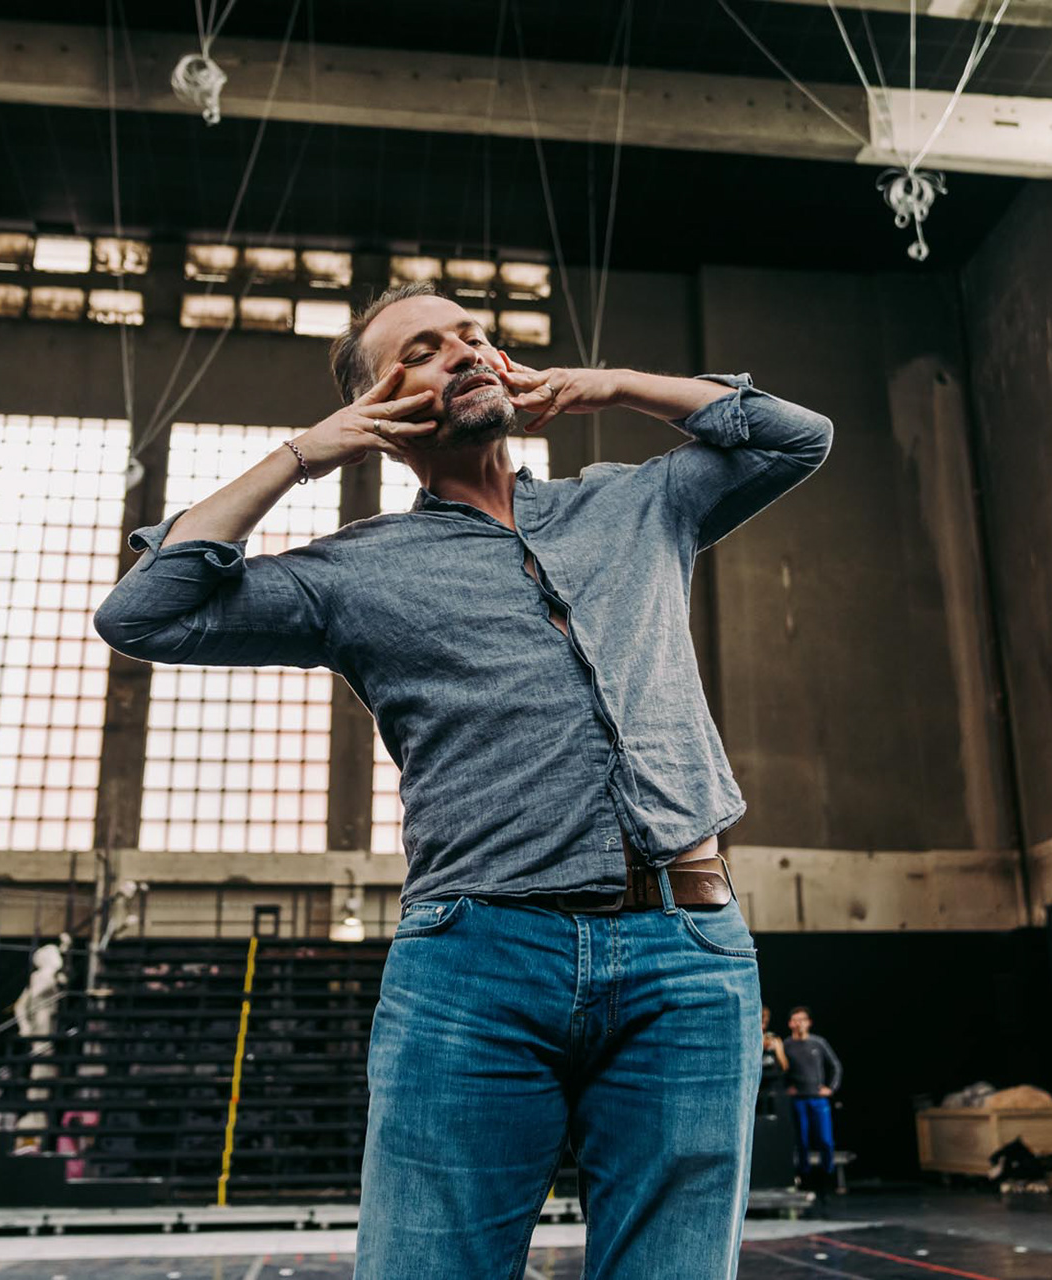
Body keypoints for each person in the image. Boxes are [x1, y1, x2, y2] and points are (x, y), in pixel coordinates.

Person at [94, 280, 833, 1277]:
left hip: (689, 954)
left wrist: (610, 383)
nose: (465, 351)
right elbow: (145, 611)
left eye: (473, 334)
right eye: (422, 351)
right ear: (380, 410)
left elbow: (795, 436)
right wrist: (310, 451)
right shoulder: (354, 572)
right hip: (478, 965)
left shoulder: (633, 503)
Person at [782, 1007, 843, 1191]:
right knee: (802, 1141)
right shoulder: (786, 1045)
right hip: (799, 1099)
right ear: (790, 1023)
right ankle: (805, 1178)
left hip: (818, 1099)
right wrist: (786, 1088)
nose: (799, 1023)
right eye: (795, 1020)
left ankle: (828, 1175)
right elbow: (781, 1068)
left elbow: (836, 1066)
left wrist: (831, 1088)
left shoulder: (818, 1043)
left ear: (809, 1022)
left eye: (802, 1019)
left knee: (825, 1140)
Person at [759, 1006, 789, 1118]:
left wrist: (775, 1048)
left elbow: (784, 1065)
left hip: (773, 1089)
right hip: (757, 1088)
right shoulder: (748, 1039)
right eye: (762, 1017)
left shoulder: (774, 1039)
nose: (763, 1021)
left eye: (765, 1018)